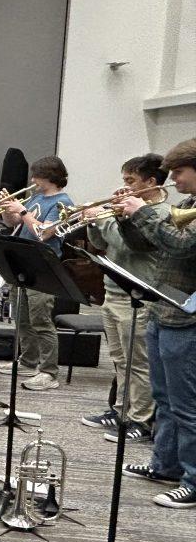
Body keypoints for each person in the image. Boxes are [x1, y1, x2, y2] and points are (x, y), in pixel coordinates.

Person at [114, 138, 196, 508]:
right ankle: (164, 464)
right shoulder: (187, 205)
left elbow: (181, 246)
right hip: (162, 310)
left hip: (187, 318)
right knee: (163, 398)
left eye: (178, 172)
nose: (172, 179)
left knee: (187, 406)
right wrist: (126, 219)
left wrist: (142, 211)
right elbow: (151, 246)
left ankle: (193, 481)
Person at [79, 155, 168, 442]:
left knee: (138, 363)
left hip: (139, 297)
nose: (124, 187)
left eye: (131, 181)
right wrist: (93, 224)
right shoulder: (127, 212)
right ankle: (121, 411)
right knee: (119, 360)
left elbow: (129, 244)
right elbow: (103, 245)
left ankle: (140, 421)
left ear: (151, 182)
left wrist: (105, 220)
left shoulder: (160, 213)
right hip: (114, 292)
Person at [0, 156, 74, 391]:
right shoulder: (36, 197)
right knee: (22, 318)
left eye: (37, 176)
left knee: (41, 320)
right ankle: (28, 361)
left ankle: (49, 372)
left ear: (50, 177)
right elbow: (16, 225)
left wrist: (22, 211)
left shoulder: (63, 203)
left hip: (43, 266)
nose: (32, 180)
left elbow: (44, 233)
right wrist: (8, 210)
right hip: (22, 262)